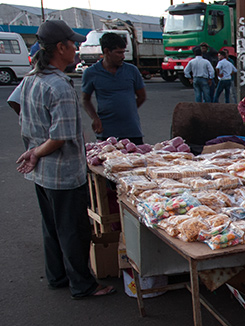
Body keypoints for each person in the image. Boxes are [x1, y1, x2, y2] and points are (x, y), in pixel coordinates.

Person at [15, 20, 115, 299]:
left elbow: (17, 108)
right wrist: (36, 150)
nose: (77, 50)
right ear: (60, 48)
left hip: (42, 173)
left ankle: (57, 276)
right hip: (63, 171)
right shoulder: (59, 86)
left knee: (52, 226)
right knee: (73, 230)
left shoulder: (31, 79)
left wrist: (34, 144)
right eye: (73, 45)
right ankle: (83, 285)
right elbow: (59, 137)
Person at [81, 32, 146, 144]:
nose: (123, 56)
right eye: (119, 53)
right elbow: (85, 99)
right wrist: (95, 118)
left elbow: (142, 96)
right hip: (106, 132)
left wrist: (128, 110)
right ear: (106, 51)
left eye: (123, 52)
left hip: (132, 131)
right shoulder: (91, 73)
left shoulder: (132, 71)